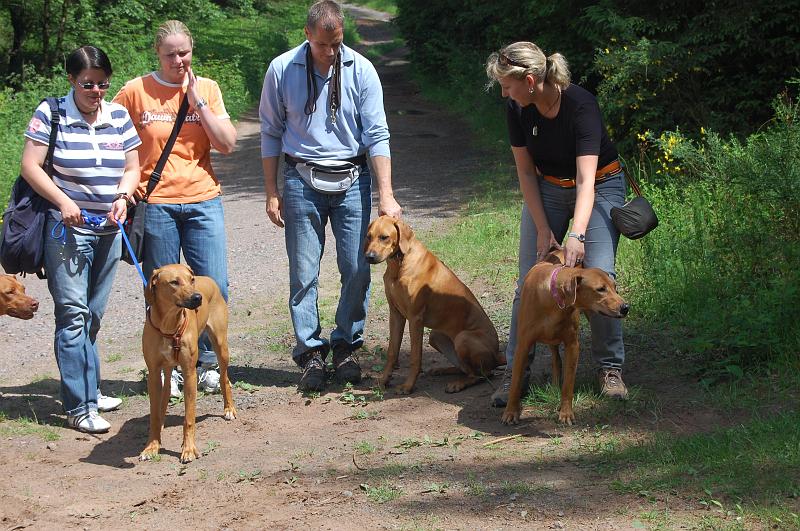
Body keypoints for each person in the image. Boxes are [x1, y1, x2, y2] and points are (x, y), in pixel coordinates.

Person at [260, 0, 402, 392]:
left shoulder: (362, 69)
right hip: (300, 179)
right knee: (304, 273)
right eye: (324, 45)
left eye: (336, 43)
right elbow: (270, 131)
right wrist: (272, 191)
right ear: (308, 35)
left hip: (352, 179)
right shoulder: (282, 69)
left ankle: (346, 347)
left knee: (358, 269)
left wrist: (386, 194)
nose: (331, 51)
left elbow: (378, 133)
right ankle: (309, 353)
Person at [485, 42, 629, 407]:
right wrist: (543, 227)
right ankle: (517, 370)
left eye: (507, 85)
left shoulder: (581, 105)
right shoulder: (516, 109)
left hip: (599, 185)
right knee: (528, 279)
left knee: (600, 275)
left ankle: (609, 368)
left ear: (530, 81)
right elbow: (524, 172)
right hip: (548, 186)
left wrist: (576, 234)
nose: (504, 92)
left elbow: (586, 181)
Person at [21, 45, 142, 433]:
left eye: (102, 84)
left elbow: (133, 166)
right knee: (72, 314)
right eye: (88, 84)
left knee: (93, 315)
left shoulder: (119, 115)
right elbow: (30, 166)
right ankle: (79, 405)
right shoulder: (51, 112)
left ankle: (88, 385)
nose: (95, 91)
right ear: (72, 79)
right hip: (67, 229)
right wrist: (62, 200)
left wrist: (124, 196)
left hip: (109, 229)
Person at [113, 20, 237, 398]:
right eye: (170, 54)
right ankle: (170, 361)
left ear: (192, 51)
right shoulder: (136, 91)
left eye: (184, 53)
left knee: (212, 283)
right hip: (157, 206)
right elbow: (108, 137)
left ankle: (210, 365)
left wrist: (197, 100)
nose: (178, 60)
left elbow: (227, 143)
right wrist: (125, 186)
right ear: (158, 53)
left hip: (203, 200)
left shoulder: (209, 89)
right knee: (162, 293)